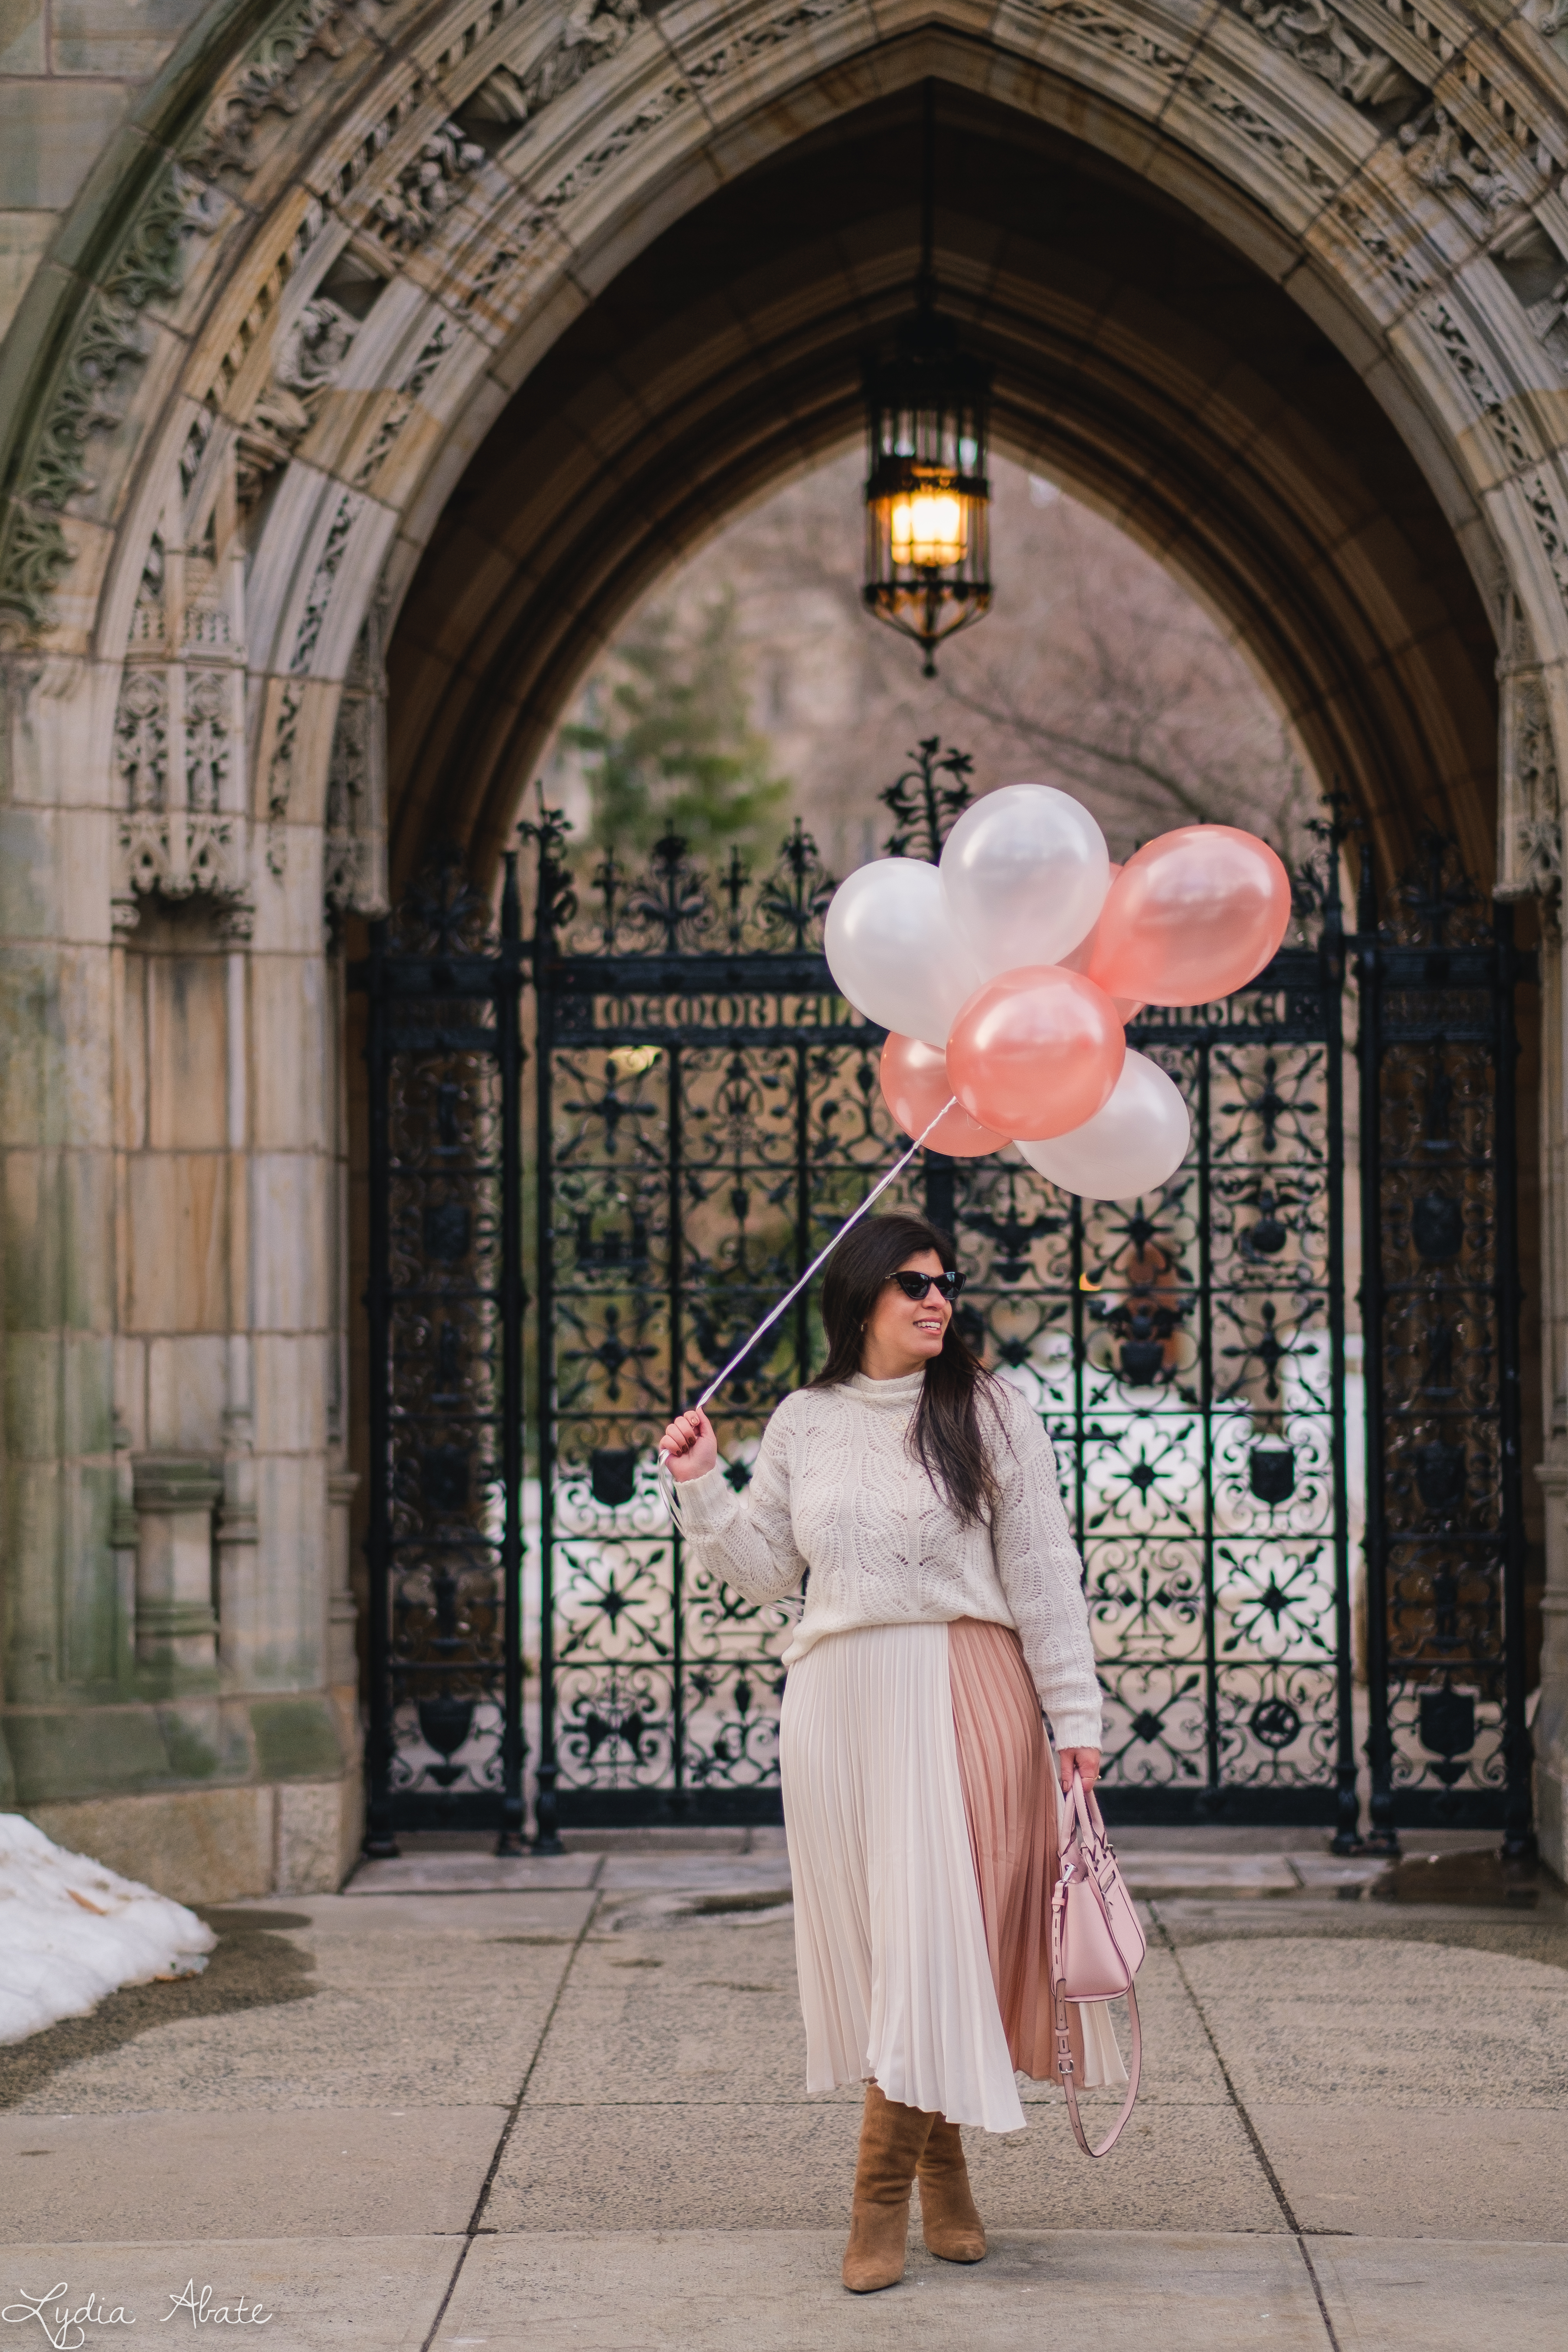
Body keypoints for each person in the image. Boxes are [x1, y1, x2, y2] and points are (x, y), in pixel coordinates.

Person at [659, 1210, 1117, 2295]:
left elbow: (1046, 1570)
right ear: (858, 1298)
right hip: (837, 1706)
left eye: (943, 1281)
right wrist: (701, 1483)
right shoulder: (805, 1421)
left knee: (934, 1943)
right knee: (890, 1953)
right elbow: (770, 1568)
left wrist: (1078, 1720)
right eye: (911, 1283)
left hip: (965, 1687)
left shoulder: (992, 1410)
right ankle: (944, 2176)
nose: (936, 1299)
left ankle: (875, 2202)